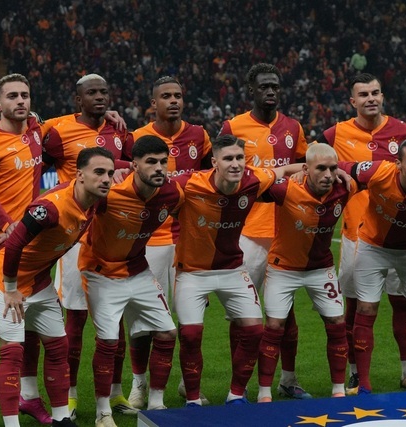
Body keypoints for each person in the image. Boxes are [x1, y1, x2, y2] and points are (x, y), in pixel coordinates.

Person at [0, 147, 116, 427]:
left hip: (39, 280)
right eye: (99, 172)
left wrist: (128, 165)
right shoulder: (51, 208)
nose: (106, 178)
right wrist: (10, 288)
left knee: (59, 346)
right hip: (6, 279)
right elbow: (14, 243)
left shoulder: (93, 201)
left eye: (109, 173)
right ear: (79, 175)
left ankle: (61, 419)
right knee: (12, 352)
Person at [319, 72, 406, 394]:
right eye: (363, 94)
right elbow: (314, 167)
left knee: (402, 303)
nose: (371, 98)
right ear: (353, 101)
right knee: (356, 307)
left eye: (375, 92)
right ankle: (355, 374)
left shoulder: (404, 132)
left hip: (397, 234)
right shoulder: (335, 134)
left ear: (382, 96)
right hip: (356, 236)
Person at [41, 74, 134, 419]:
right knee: (75, 320)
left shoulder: (120, 132)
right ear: (78, 100)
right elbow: (36, 162)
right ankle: (70, 395)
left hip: (111, 234)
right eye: (91, 93)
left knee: (115, 319)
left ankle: (116, 393)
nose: (99, 97)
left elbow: (131, 168)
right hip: (73, 237)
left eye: (104, 92)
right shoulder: (59, 131)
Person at [173, 134, 287, 407]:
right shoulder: (189, 183)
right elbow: (154, 185)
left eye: (239, 158)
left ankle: (236, 394)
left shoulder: (253, 179)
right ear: (214, 163)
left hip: (232, 269)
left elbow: (282, 170)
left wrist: (305, 168)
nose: (235, 164)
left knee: (254, 330)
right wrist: (121, 170)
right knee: (190, 335)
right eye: (228, 159)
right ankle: (192, 399)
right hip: (193, 271)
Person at [219, 63, 310, 399]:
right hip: (248, 233)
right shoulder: (233, 127)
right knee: (242, 314)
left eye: (275, 86)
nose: (271, 92)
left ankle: (288, 379)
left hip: (287, 231)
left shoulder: (293, 128)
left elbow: (305, 169)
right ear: (251, 91)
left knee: (286, 312)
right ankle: (238, 385)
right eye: (264, 87)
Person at [78, 136, 181, 427]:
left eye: (163, 162)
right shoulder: (110, 192)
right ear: (134, 165)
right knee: (108, 342)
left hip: (138, 270)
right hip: (101, 273)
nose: (159, 168)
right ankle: (103, 413)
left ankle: (157, 404)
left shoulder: (173, 192)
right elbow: (71, 198)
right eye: (151, 162)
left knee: (167, 333)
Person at [0, 74, 50, 426]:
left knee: (28, 322)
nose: (20, 101)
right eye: (12, 96)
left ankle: (29, 397)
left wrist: (107, 117)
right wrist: (6, 226)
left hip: (29, 241)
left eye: (25, 95)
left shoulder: (36, 129)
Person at [124, 76, 212, 408]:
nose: (173, 100)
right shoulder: (137, 137)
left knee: (191, 320)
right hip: (150, 240)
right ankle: (139, 383)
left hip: (190, 239)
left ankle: (188, 384)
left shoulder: (199, 135)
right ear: (154, 103)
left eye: (177, 95)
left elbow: (210, 180)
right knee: (143, 320)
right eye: (166, 96)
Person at [338, 138, 406, 393]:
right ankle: (364, 385)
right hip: (372, 246)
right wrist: (334, 172)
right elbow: (344, 166)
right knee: (365, 308)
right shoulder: (379, 171)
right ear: (398, 164)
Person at [257, 144, 356, 401]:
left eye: (333, 169)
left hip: (321, 269)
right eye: (321, 168)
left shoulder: (345, 187)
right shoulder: (287, 189)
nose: (328, 175)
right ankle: (264, 393)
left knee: (336, 323)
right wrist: (285, 170)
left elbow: (369, 170)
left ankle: (338, 390)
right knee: (274, 326)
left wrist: (343, 172)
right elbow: (251, 182)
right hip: (283, 268)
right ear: (306, 169)